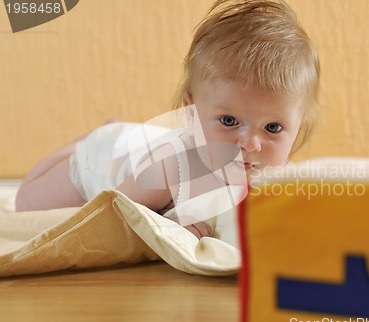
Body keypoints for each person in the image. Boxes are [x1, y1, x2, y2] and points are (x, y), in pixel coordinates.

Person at [15, 0, 320, 239]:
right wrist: (163, 226)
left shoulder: (277, 175)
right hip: (103, 160)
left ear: (298, 123)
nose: (251, 143)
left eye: (273, 128)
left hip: (141, 141)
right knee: (26, 206)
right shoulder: (173, 168)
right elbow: (112, 212)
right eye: (229, 121)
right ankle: (80, 143)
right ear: (191, 110)